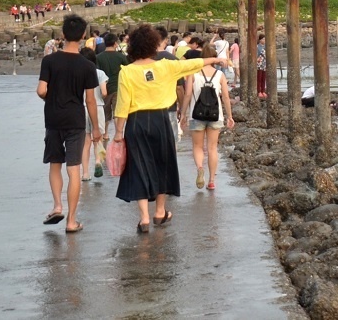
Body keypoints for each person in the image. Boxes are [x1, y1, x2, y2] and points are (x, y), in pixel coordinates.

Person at [113, 24, 230, 232]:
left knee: (138, 167)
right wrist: (216, 59)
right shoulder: (165, 66)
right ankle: (160, 211)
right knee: (162, 164)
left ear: (132, 48)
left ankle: (144, 218)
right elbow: (195, 64)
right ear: (152, 45)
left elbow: (122, 106)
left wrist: (118, 133)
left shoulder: (127, 72)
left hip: (136, 122)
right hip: (160, 120)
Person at [36, 15, 101, 234]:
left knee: (55, 164)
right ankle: (71, 221)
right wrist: (97, 127)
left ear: (63, 35)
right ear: (83, 36)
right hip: (76, 120)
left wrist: (52, 99)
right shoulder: (87, 65)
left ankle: (57, 206)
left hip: (53, 119)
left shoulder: (49, 61)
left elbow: (41, 91)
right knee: (74, 169)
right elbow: (90, 100)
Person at [183, 55, 235, 191]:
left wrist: (182, 113)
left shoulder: (193, 74)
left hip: (196, 115)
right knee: (212, 148)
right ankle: (212, 181)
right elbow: (225, 97)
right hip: (215, 115)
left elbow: (187, 94)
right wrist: (230, 116)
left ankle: (200, 167)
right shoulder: (220, 75)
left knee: (198, 146)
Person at [81, 50, 108, 183]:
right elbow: (104, 92)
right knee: (98, 138)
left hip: (82, 108)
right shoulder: (100, 73)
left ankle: (85, 173)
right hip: (97, 107)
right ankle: (97, 161)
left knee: (85, 142)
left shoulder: (78, 73)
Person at [96, 33, 127, 140]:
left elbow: (97, 73)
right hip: (118, 88)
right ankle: (118, 134)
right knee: (117, 112)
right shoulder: (121, 57)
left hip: (104, 89)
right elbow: (128, 69)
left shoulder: (98, 57)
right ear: (115, 43)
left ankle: (105, 134)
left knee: (105, 113)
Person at [256, 33, 267, 98]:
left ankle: (263, 91)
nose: (264, 40)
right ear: (260, 40)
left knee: (264, 78)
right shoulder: (257, 46)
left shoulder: (266, 46)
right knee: (259, 78)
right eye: (263, 39)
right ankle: (259, 91)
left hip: (264, 64)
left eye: (264, 39)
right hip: (259, 64)